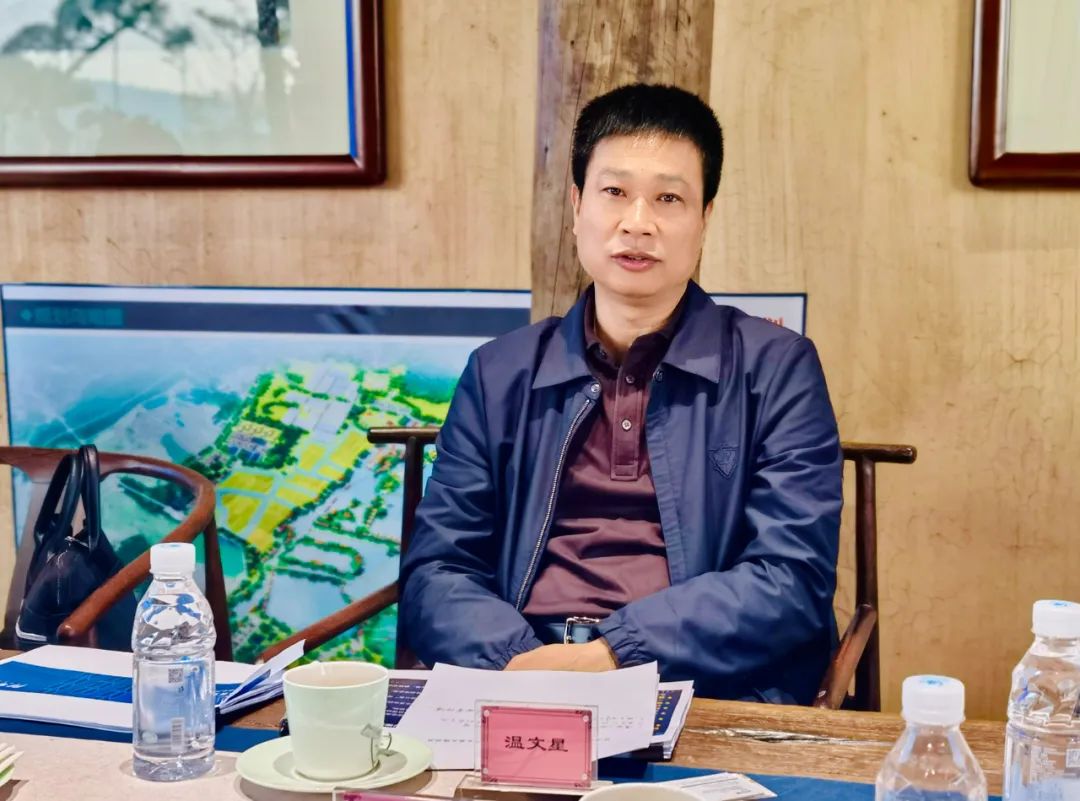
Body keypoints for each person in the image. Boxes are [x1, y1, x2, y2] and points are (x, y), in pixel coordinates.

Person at [399, 83, 842, 703]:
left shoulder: (776, 368)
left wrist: (612, 655)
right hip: (516, 674)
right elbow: (437, 570)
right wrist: (521, 665)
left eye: (669, 198)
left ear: (704, 219)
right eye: (614, 192)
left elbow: (791, 578)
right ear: (577, 205)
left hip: (698, 686)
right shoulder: (499, 372)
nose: (638, 222)